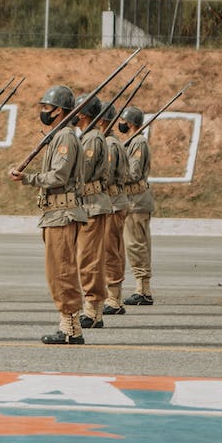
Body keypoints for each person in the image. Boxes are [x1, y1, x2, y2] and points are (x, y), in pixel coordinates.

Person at [9, 85, 88, 345]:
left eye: (46, 107)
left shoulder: (65, 137)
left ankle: (71, 328)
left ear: (59, 111)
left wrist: (28, 179)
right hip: (56, 213)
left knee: (62, 271)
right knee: (56, 270)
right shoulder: (59, 135)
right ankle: (68, 324)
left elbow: (59, 175)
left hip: (63, 213)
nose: (42, 111)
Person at [73, 93, 112, 330]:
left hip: (92, 205)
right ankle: (92, 308)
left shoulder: (92, 140)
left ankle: (93, 310)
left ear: (84, 113)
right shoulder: (86, 137)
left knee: (89, 260)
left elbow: (83, 172)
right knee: (83, 259)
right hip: (85, 204)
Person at [119, 105, 156, 306]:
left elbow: (132, 174)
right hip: (132, 201)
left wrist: (112, 175)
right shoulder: (131, 142)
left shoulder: (138, 142)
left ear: (131, 123)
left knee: (136, 245)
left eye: (123, 121)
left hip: (136, 201)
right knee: (135, 244)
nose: (120, 125)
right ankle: (142, 288)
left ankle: (143, 290)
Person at [99, 103, 130, 316]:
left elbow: (106, 176)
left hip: (111, 202)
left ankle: (114, 297)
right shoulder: (110, 142)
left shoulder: (109, 145)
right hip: (111, 202)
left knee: (111, 251)